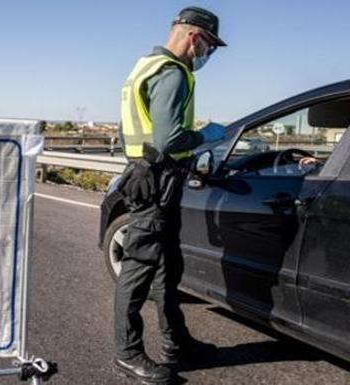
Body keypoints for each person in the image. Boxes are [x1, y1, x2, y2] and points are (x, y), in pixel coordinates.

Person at [114, 6, 228, 383]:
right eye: (209, 44)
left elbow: (134, 130)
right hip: (157, 181)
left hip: (144, 174)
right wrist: (206, 136)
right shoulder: (173, 73)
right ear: (194, 36)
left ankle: (176, 341)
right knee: (140, 269)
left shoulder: (143, 65)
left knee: (166, 267)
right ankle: (128, 353)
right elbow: (168, 139)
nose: (207, 54)